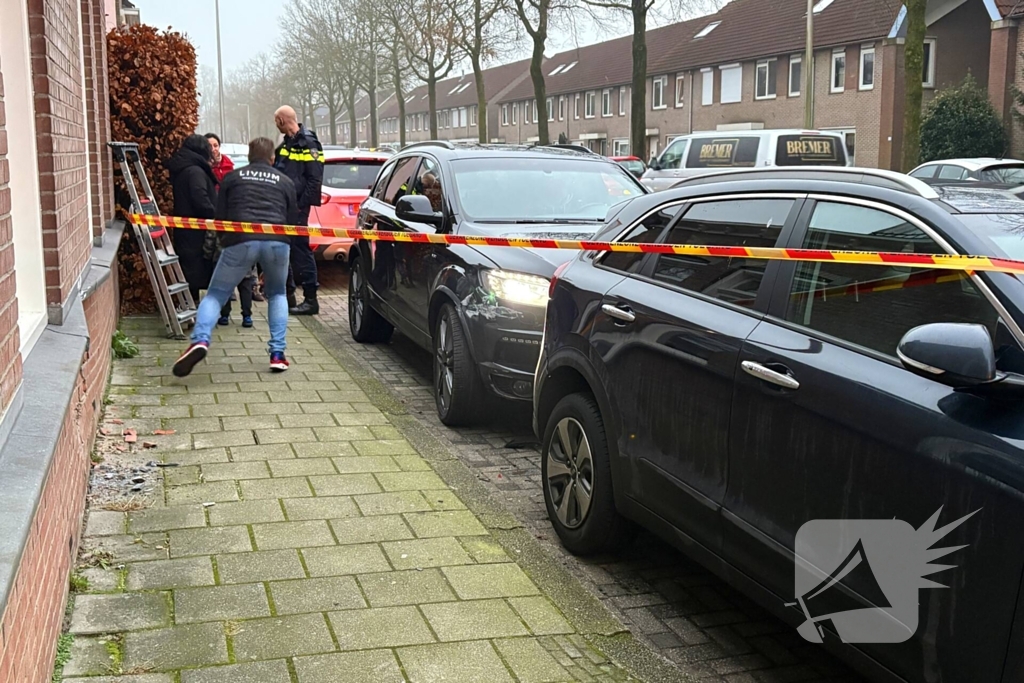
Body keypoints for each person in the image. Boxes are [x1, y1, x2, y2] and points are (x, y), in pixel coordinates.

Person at [173, 137, 297, 377]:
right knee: (278, 293)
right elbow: (292, 220)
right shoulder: (285, 181)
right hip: (277, 241)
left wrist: (224, 245)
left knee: (216, 294)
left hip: (240, 239)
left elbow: (221, 216)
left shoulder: (232, 178)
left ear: (249, 157)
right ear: (272, 159)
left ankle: (200, 340)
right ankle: (278, 354)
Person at [273, 105, 323, 315]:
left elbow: (314, 179)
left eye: (276, 120)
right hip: (285, 205)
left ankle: (311, 299)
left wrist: (301, 206)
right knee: (285, 249)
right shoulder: (288, 143)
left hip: (298, 208)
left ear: (282, 120)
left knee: (301, 250)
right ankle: (289, 294)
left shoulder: (308, 143)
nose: (275, 124)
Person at [204, 132, 253, 326]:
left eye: (216, 145)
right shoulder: (205, 169)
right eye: (210, 145)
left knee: (233, 280)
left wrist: (208, 253)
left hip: (225, 247)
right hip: (239, 247)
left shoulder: (228, 167)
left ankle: (235, 314)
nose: (214, 149)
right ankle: (237, 315)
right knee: (242, 279)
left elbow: (212, 234)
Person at [166, 134, 218, 303]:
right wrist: (215, 215)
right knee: (196, 268)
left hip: (186, 227)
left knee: (188, 266)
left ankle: (188, 302)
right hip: (197, 229)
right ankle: (192, 303)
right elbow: (200, 199)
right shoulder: (195, 171)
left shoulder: (184, 168)